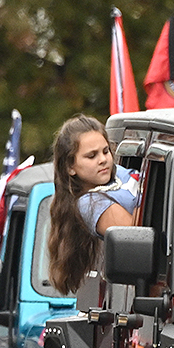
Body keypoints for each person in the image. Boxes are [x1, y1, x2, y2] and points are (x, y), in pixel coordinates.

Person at [47, 115, 130, 295]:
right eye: (91, 156)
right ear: (71, 167)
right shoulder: (90, 204)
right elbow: (135, 232)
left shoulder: (117, 174)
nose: (103, 160)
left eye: (106, 151)